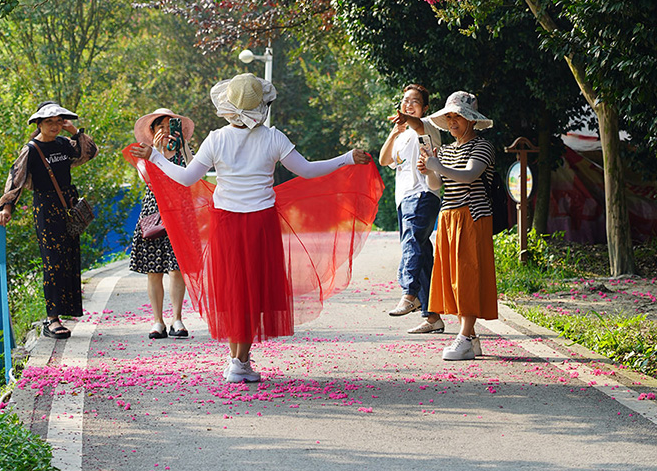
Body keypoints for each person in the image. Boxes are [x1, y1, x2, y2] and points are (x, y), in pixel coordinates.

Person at [127, 72, 381, 384]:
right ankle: (239, 361)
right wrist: (346, 158)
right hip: (261, 223)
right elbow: (307, 170)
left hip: (227, 223)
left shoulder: (217, 138)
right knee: (252, 290)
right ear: (262, 105)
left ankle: (238, 359)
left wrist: (154, 156)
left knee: (234, 290)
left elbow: (186, 178)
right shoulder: (273, 137)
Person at [0, 100, 98, 340]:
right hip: (46, 208)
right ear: (39, 123)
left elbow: (89, 152)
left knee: (69, 258)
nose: (54, 127)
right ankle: (52, 319)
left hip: (68, 206)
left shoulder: (64, 143)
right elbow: (15, 179)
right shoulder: (31, 149)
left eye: (58, 122)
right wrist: (7, 208)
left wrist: (74, 130)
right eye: (49, 122)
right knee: (52, 261)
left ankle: (65, 311)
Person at [417, 90, 498, 361]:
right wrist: (429, 170)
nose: (453, 121)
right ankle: (471, 338)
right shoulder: (447, 149)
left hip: (473, 216)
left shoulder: (482, 146)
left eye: (459, 116)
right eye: (449, 116)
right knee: (452, 279)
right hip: (449, 215)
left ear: (472, 120)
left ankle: (464, 336)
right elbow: (438, 186)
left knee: (467, 276)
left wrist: (436, 165)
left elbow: (469, 175)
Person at [378, 83, 443, 332]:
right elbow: (385, 160)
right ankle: (433, 317)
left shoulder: (427, 126)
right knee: (423, 253)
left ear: (424, 107)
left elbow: (416, 125)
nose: (408, 104)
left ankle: (409, 293)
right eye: (405, 100)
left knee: (412, 242)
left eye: (414, 101)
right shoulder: (404, 134)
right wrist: (395, 131)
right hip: (404, 198)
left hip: (424, 194)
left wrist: (407, 120)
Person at [129, 108, 194, 340]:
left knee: (177, 268)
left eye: (170, 126)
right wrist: (155, 153)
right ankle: (158, 321)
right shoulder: (144, 154)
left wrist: (183, 148)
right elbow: (147, 178)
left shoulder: (185, 151)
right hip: (153, 213)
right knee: (153, 270)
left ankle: (177, 319)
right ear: (153, 131)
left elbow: (193, 174)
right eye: (161, 127)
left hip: (180, 213)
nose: (166, 131)